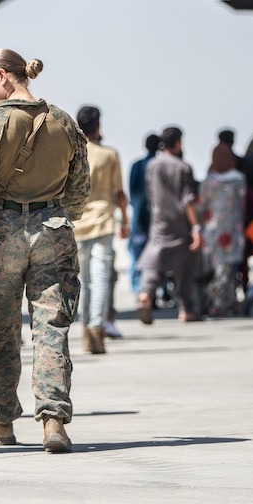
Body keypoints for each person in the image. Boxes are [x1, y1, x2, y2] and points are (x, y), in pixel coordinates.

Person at [0, 49, 89, 453]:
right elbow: (80, 190)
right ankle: (53, 421)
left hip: (1, 233)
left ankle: (0, 419)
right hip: (53, 230)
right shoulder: (64, 121)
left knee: (2, 328)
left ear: (2, 76)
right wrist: (54, 210)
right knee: (51, 328)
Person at [72, 105, 129, 354]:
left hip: (77, 223)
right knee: (102, 278)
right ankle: (97, 329)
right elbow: (120, 194)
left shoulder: (72, 154)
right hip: (104, 220)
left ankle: (86, 331)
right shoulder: (110, 155)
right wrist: (125, 220)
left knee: (83, 280)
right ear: (98, 126)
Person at [136, 126, 203, 324]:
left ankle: (145, 294)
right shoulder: (183, 167)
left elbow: (150, 194)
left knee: (155, 261)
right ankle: (186, 308)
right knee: (185, 265)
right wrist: (196, 227)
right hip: (180, 222)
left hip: (159, 220)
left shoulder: (152, 165)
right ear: (178, 143)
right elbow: (187, 199)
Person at [200, 143, 246, 316]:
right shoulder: (239, 179)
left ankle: (223, 301)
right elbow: (241, 203)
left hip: (212, 229)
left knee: (221, 267)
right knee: (226, 268)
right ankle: (217, 300)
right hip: (233, 228)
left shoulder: (208, 181)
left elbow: (202, 205)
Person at [127, 133, 160, 299]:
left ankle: (138, 289)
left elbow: (132, 192)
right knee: (156, 255)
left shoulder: (138, 165)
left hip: (139, 216)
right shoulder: (158, 165)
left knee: (136, 255)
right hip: (157, 217)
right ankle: (156, 291)